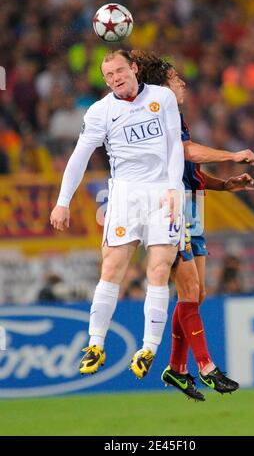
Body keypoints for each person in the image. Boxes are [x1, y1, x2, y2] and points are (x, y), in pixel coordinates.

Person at [50, 50, 185, 379]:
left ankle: (149, 349)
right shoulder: (100, 112)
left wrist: (174, 188)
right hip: (125, 195)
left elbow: (174, 145)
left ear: (134, 68)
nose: (115, 79)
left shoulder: (162, 97)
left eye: (120, 71)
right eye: (108, 75)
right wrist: (62, 200)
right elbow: (80, 156)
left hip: (163, 192)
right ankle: (96, 343)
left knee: (159, 269)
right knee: (111, 267)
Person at [132, 50, 254, 400]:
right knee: (189, 292)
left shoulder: (175, 117)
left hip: (191, 205)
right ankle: (206, 368)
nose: (183, 83)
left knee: (196, 294)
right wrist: (231, 155)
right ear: (161, 86)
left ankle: (177, 369)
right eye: (175, 78)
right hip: (168, 208)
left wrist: (225, 184)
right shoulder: (155, 117)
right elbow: (187, 152)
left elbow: (191, 172)